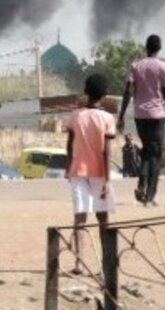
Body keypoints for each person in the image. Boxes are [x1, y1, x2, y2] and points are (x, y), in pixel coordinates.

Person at [117, 34, 165, 207]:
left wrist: (121, 115)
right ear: (159, 48)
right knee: (155, 156)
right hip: (157, 117)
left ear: (146, 47)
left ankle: (141, 186)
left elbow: (128, 92)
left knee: (146, 152)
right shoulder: (164, 67)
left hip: (140, 116)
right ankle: (149, 196)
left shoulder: (135, 66)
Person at [66, 73, 116, 273]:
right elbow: (106, 151)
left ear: (86, 91)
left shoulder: (75, 116)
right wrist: (108, 180)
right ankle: (106, 264)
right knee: (103, 219)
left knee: (80, 218)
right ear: (105, 94)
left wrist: (67, 168)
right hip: (99, 173)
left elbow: (69, 145)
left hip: (78, 171)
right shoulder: (107, 118)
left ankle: (79, 263)